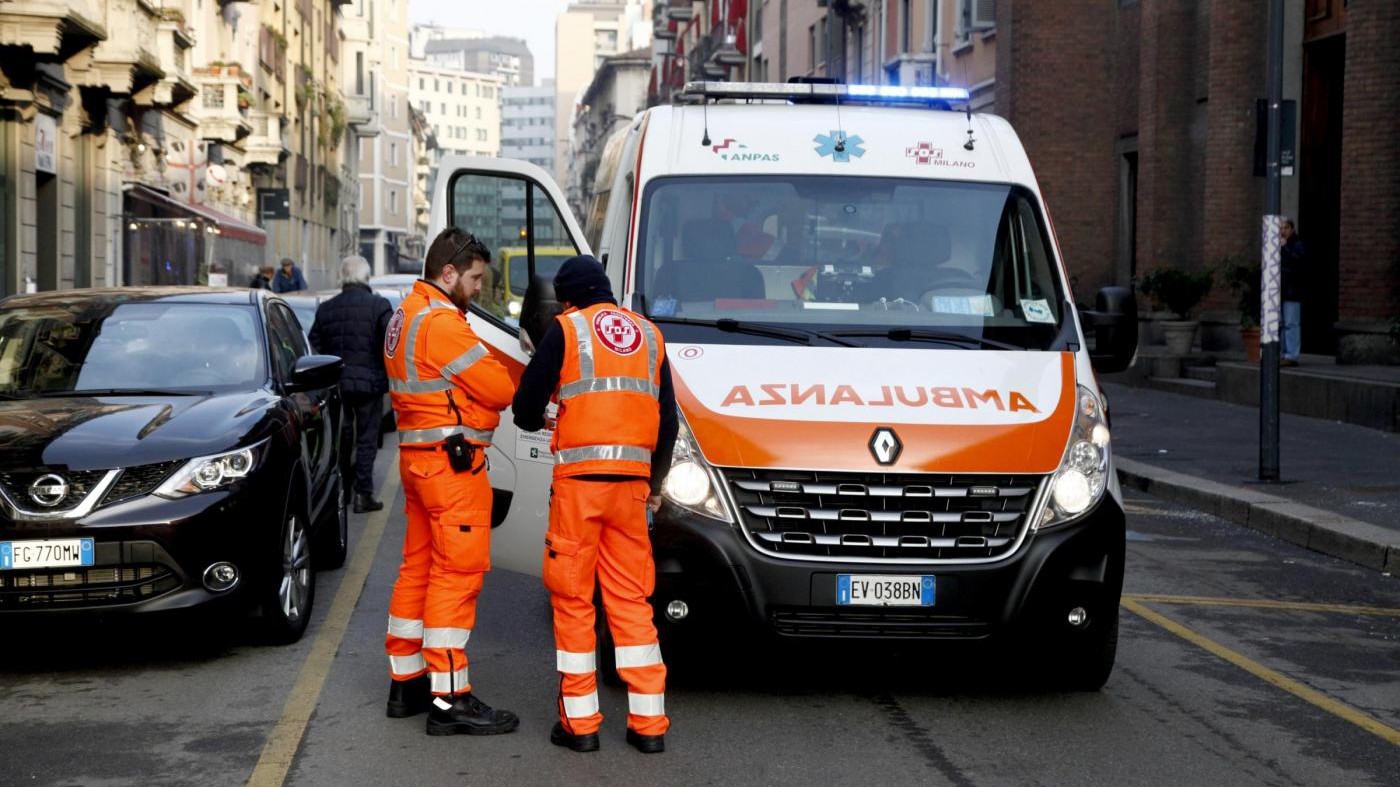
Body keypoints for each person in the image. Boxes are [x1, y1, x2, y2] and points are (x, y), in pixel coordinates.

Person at [512, 255, 679, 755]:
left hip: (580, 488)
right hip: (631, 490)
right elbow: (666, 419)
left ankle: (580, 725)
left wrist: (552, 416)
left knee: (573, 600)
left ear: (566, 299)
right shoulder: (649, 335)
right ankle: (648, 726)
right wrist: (654, 480)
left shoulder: (567, 330)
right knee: (630, 601)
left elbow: (523, 410)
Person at [381, 228, 519, 736]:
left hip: (419, 463)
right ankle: (449, 698)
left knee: (417, 568)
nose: (479, 288)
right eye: (476, 278)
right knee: (455, 576)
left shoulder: (404, 316)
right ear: (449, 273)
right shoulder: (443, 324)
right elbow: (500, 389)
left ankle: (407, 681)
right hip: (453, 468)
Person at [309, 255, 393, 513]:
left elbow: (315, 347)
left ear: (342, 277)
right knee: (367, 440)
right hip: (370, 383)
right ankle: (363, 495)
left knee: (342, 439)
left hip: (338, 386)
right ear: (366, 278)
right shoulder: (379, 306)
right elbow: (391, 344)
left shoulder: (326, 308)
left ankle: (342, 492)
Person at [1280, 218, 1305, 367]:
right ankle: (1283, 353)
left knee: (1291, 323)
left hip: (1293, 290)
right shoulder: (1279, 244)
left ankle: (1291, 355)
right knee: (1283, 323)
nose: (1282, 231)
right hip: (1281, 289)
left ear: (1291, 229)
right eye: (1281, 228)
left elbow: (1298, 262)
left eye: (1285, 228)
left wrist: (1285, 248)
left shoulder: (1297, 244)